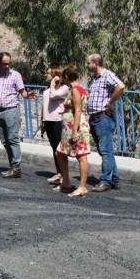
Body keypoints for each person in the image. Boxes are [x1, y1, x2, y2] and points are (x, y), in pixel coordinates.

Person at [86, 53, 126, 192]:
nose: (87, 65)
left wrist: (110, 103)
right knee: (106, 151)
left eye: (88, 63)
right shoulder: (95, 79)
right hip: (95, 118)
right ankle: (114, 180)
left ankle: (105, 181)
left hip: (103, 118)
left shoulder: (107, 75)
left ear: (96, 63)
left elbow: (120, 86)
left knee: (106, 151)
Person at [54, 65, 92, 198]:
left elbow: (78, 110)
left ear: (66, 77)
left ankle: (82, 187)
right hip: (70, 127)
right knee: (60, 153)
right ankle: (66, 182)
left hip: (75, 127)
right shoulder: (79, 89)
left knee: (81, 156)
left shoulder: (76, 90)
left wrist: (75, 130)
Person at [40, 65, 69, 185]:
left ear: (55, 76)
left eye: (48, 73)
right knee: (54, 148)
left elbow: (53, 96)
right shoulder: (47, 90)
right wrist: (42, 122)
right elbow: (44, 106)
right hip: (48, 120)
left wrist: (53, 83)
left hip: (58, 120)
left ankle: (64, 175)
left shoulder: (64, 88)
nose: (46, 75)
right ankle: (59, 173)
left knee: (59, 149)